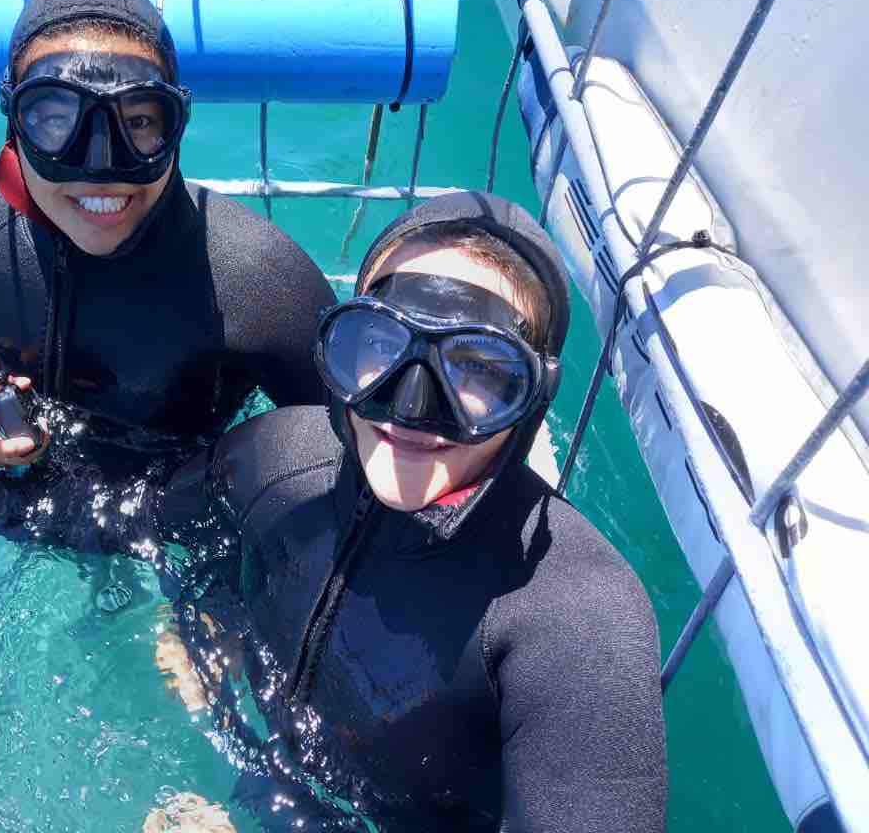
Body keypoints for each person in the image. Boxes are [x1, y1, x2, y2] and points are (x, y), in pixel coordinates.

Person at [159, 190, 668, 831]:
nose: (410, 406)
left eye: (479, 368)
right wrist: (203, 615)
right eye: (379, 342)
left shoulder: (575, 619)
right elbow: (152, 525)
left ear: (533, 395)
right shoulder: (276, 455)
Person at [0, 0, 335, 547]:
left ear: (177, 123)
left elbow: (348, 469)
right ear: (13, 120)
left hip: (169, 529)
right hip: (1, 477)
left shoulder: (259, 284)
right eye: (56, 120)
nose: (101, 167)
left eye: (140, 122)